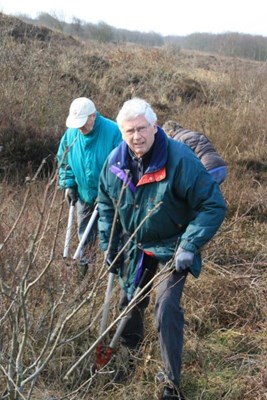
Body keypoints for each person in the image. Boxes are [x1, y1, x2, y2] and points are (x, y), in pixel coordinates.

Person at [97, 98, 227, 399]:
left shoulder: (180, 160)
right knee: (128, 304)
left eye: (142, 128)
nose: (136, 137)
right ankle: (127, 360)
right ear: (121, 132)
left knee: (166, 308)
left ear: (155, 127)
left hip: (174, 245)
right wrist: (109, 244)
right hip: (137, 244)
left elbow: (213, 205)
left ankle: (171, 382)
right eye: (129, 131)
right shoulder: (115, 163)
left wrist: (190, 245)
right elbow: (105, 203)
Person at [57, 97, 122, 275]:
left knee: (112, 234)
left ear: (93, 116)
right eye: (77, 124)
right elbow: (64, 162)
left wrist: (111, 192)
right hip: (84, 194)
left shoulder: (114, 132)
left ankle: (115, 271)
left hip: (110, 197)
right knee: (85, 234)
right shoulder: (71, 134)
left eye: (84, 123)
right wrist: (69, 184)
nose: (81, 128)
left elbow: (123, 167)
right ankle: (85, 273)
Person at [162, 120, 227, 185]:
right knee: (213, 193)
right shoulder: (196, 134)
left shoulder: (177, 141)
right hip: (221, 167)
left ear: (171, 132)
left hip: (207, 170)